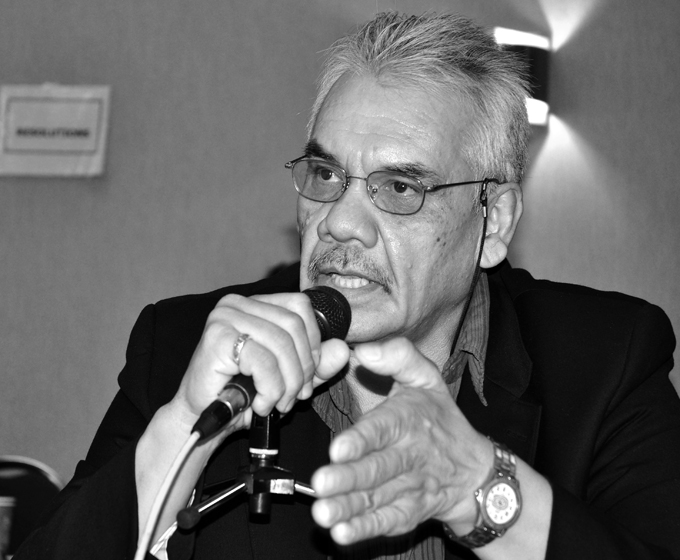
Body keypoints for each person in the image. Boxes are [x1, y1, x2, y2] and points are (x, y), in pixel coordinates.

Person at [15, 11, 680, 560]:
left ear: (494, 222)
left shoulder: (606, 360)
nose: (340, 223)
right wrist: (185, 429)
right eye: (326, 176)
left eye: (401, 187)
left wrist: (481, 489)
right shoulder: (186, 346)